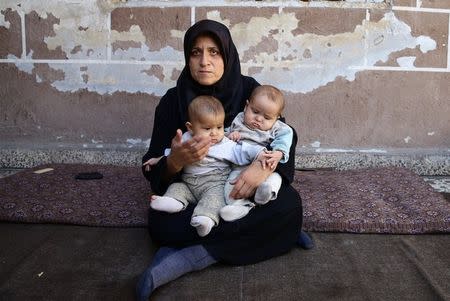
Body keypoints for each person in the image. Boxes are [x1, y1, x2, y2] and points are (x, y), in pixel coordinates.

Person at [137, 19, 313, 300]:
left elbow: (284, 135)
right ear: (187, 57)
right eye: (196, 52)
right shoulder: (173, 102)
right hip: (195, 192)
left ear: (227, 55)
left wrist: (261, 168)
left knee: (290, 204)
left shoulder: (249, 91)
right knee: (160, 221)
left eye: (214, 52)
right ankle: (274, 235)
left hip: (240, 190)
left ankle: (187, 256)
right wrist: (174, 162)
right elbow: (152, 166)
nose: (204, 61)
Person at [145, 95, 266, 237]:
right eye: (207, 128)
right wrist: (156, 160)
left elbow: (244, 150)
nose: (215, 133)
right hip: (188, 182)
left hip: (214, 184)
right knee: (176, 188)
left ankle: (204, 219)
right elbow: (172, 153)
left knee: (214, 200)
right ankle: (173, 202)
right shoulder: (186, 138)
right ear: (190, 127)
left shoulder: (225, 144)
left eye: (219, 127)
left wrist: (261, 154)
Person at [220, 84, 293, 222]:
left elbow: (286, 136)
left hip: (264, 164)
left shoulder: (277, 127)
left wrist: (279, 153)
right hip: (239, 166)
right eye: (255, 112)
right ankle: (240, 207)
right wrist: (230, 135)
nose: (259, 119)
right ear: (246, 106)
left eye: (267, 117)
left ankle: (266, 192)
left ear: (277, 118)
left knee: (276, 177)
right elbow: (222, 135)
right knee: (231, 185)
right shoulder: (239, 120)